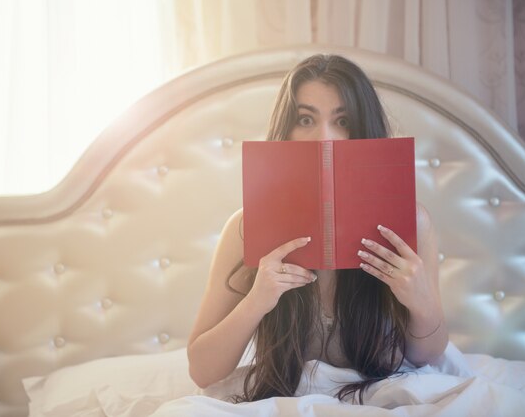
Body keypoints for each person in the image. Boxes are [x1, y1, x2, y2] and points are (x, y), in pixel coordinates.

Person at [187, 54, 448, 403]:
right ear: (286, 131)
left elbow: (427, 357)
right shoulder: (244, 229)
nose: (323, 138)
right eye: (306, 119)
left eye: (342, 121)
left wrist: (421, 302)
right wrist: (256, 301)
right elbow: (202, 372)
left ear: (363, 130)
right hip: (283, 395)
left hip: (382, 393)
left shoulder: (411, 223)